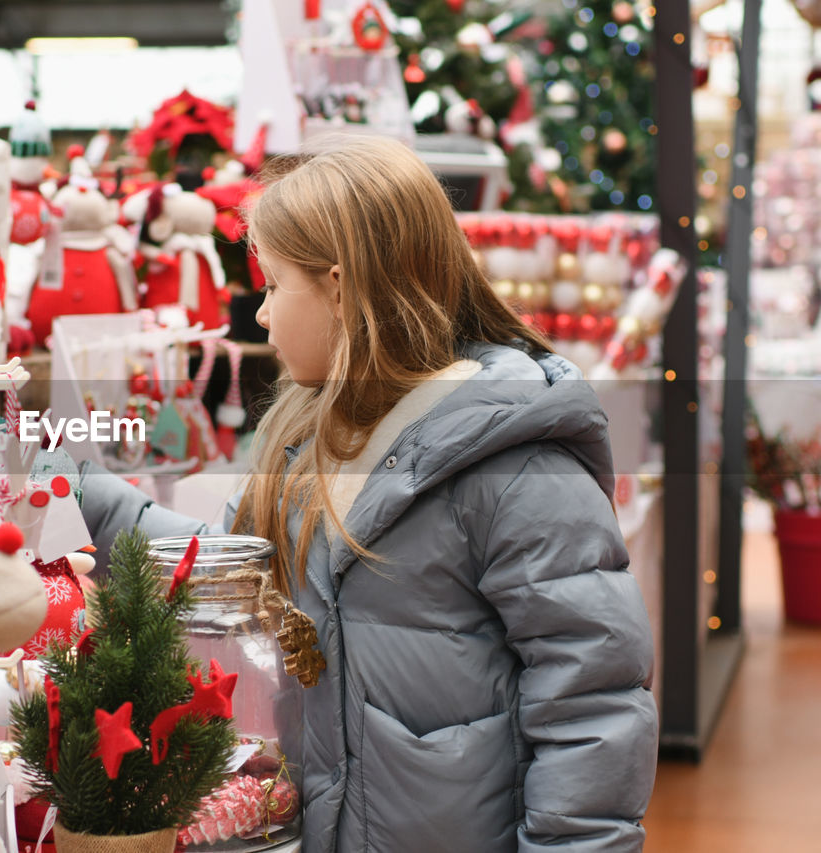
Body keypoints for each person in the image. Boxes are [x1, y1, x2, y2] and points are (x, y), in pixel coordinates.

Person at [77, 135, 658, 852]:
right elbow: (233, 571)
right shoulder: (305, 435)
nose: (260, 314)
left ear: (341, 287)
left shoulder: (518, 466)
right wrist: (81, 497)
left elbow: (592, 703)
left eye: (273, 285)